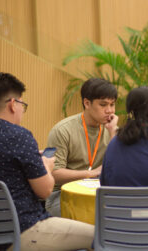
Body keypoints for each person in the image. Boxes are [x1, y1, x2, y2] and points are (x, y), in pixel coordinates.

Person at [0, 72, 94, 251]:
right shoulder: (20, 137)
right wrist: (46, 166)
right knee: (101, 235)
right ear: (13, 104)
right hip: (28, 230)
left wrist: (33, 158)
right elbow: (46, 190)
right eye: (23, 105)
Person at [46, 78, 118, 216]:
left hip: (98, 193)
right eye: (103, 105)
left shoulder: (112, 131)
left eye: (112, 104)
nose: (109, 111)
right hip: (62, 194)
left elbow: (119, 168)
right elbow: (54, 173)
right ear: (87, 103)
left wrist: (113, 132)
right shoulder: (63, 130)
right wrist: (91, 173)